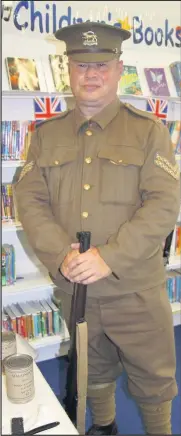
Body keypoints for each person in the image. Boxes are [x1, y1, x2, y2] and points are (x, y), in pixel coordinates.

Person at [14, 22, 180, 435]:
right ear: (67, 68)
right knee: (92, 370)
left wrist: (110, 256)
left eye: (102, 65)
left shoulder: (148, 131)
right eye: (82, 64)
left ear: (118, 68)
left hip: (136, 289)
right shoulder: (45, 135)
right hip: (76, 290)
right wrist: (60, 254)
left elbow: (164, 203)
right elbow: (30, 200)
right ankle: (104, 427)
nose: (91, 74)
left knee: (155, 382)